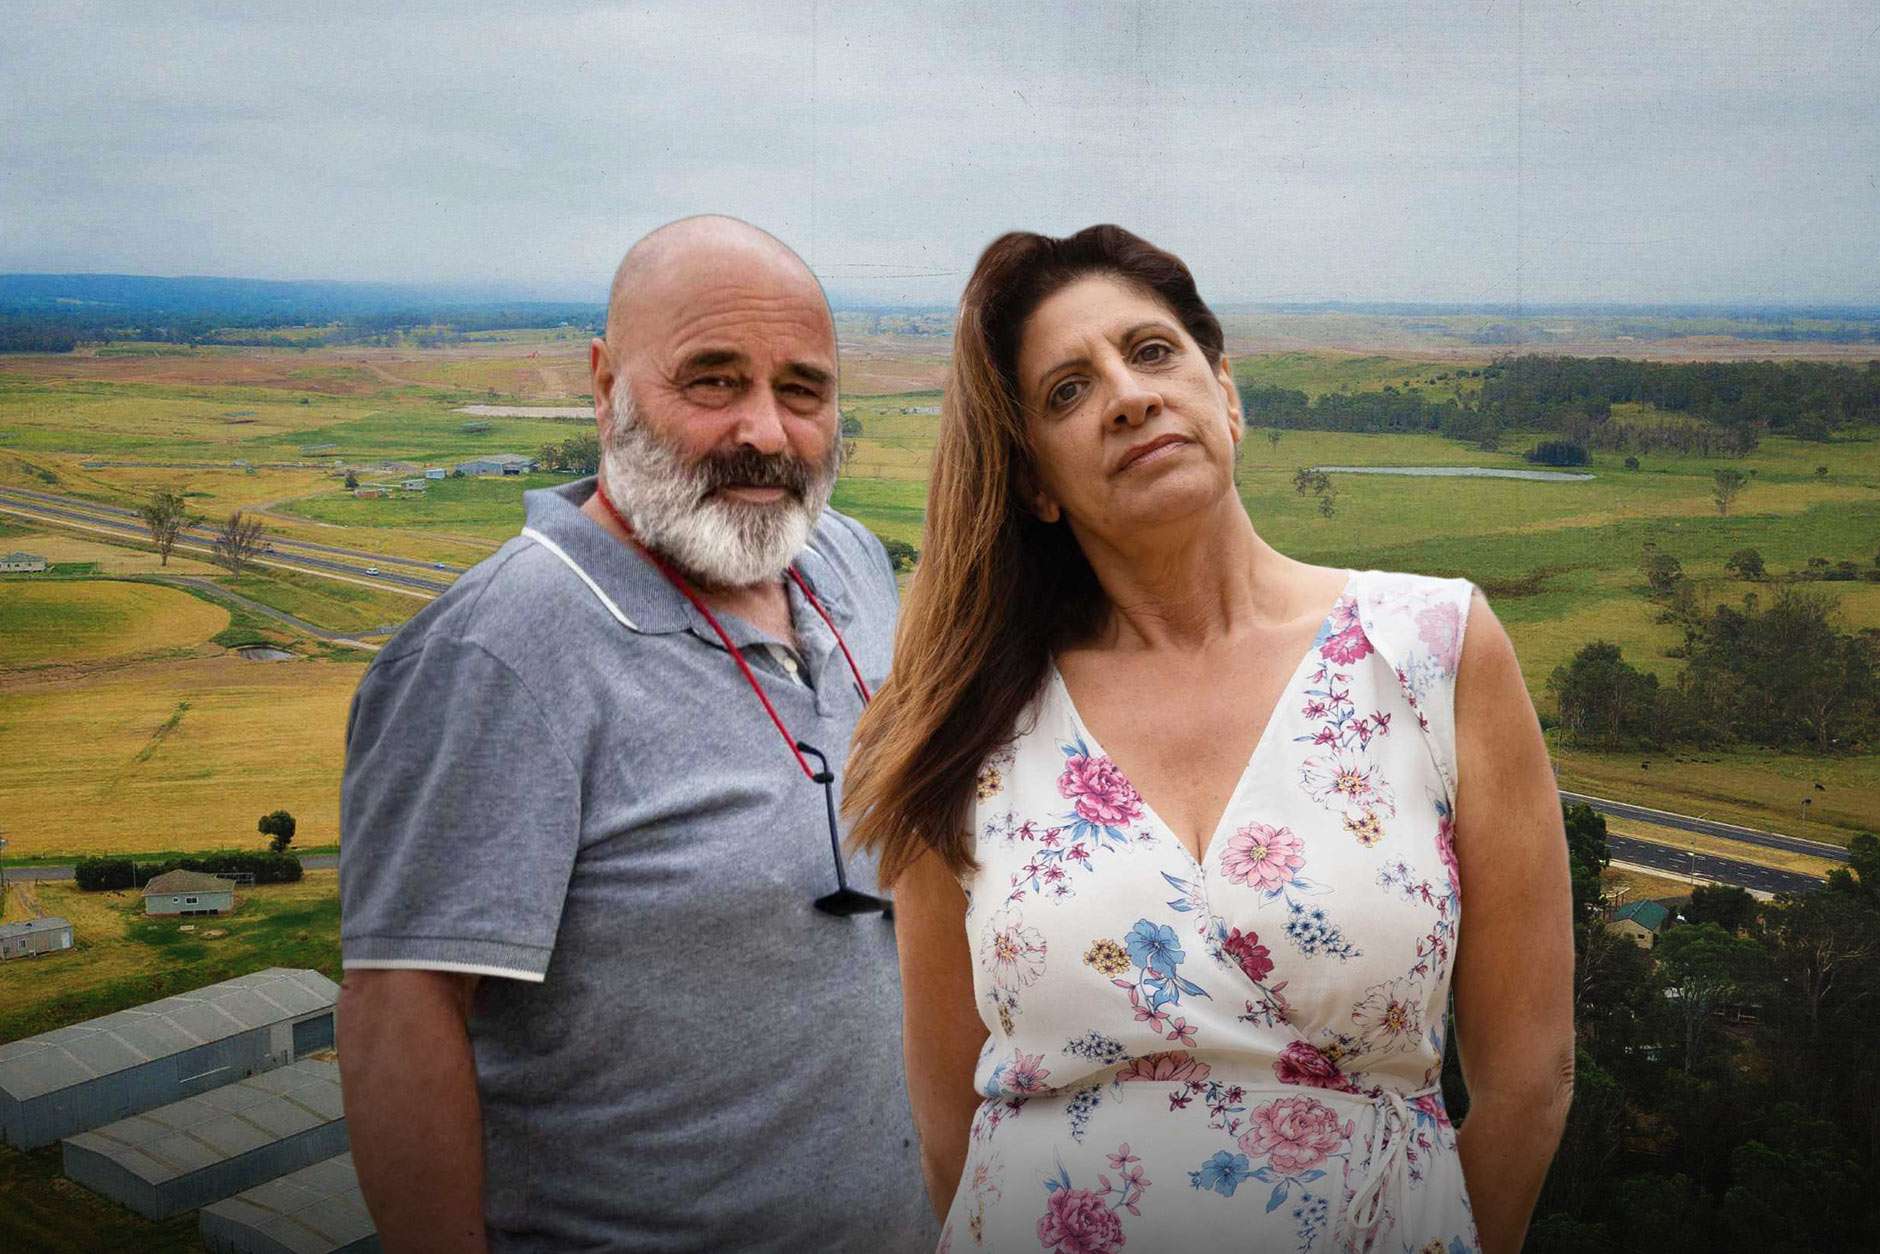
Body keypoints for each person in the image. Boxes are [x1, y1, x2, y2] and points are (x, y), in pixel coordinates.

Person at [843, 225, 1574, 1253]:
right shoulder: (961, 723)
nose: (1126, 395)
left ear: (1223, 391)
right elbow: (947, 1131)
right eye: (1066, 391)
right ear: (1034, 484)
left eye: (1150, 353)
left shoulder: (1428, 651)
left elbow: (1528, 1080)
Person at [336, 215, 935, 1252]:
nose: (764, 431)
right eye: (712, 380)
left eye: (802, 389)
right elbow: (402, 1011)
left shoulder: (840, 561)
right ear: (604, 383)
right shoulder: (499, 652)